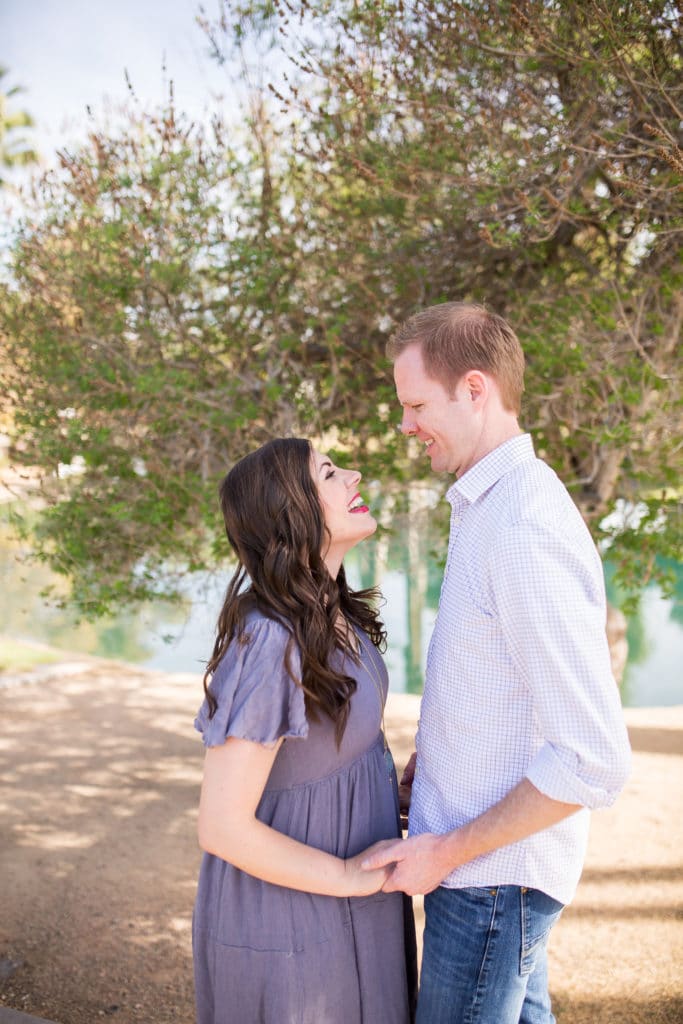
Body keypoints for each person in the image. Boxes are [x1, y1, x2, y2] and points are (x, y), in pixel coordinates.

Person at [362, 302, 632, 1023]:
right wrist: (443, 760)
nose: (405, 425)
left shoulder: (521, 526)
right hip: (482, 876)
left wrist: (445, 851)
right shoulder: (485, 505)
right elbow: (503, 685)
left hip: (489, 885)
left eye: (416, 404)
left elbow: (592, 757)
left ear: (474, 389)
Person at [192, 437, 417, 1024]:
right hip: (290, 915)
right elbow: (221, 826)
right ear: (291, 509)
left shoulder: (336, 615)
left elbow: (314, 766)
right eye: (329, 472)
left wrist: (387, 796)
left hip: (356, 902)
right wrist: (346, 875)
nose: (355, 473)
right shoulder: (270, 639)